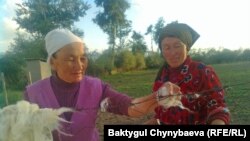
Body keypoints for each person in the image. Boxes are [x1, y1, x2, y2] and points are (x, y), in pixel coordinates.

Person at [23, 28, 172, 141]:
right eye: (70, 59)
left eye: (83, 58)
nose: (79, 65)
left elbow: (131, 108)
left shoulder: (96, 87)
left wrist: (159, 96)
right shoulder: (33, 94)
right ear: (53, 62)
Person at [145, 22, 230, 125]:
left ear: (187, 47)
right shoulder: (161, 77)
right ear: (162, 51)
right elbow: (160, 114)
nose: (172, 53)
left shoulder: (203, 71)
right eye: (167, 48)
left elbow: (219, 109)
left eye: (177, 46)